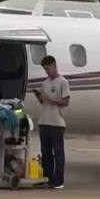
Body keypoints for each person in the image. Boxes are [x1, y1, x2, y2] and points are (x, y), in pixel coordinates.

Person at [38, 55, 70, 189]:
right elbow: (43, 102)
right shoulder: (45, 83)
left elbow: (65, 102)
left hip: (57, 122)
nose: (47, 72)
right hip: (44, 121)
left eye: (48, 69)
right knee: (45, 152)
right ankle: (48, 177)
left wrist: (49, 98)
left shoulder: (63, 82)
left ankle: (59, 181)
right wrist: (40, 97)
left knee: (58, 153)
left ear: (54, 66)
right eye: (45, 70)